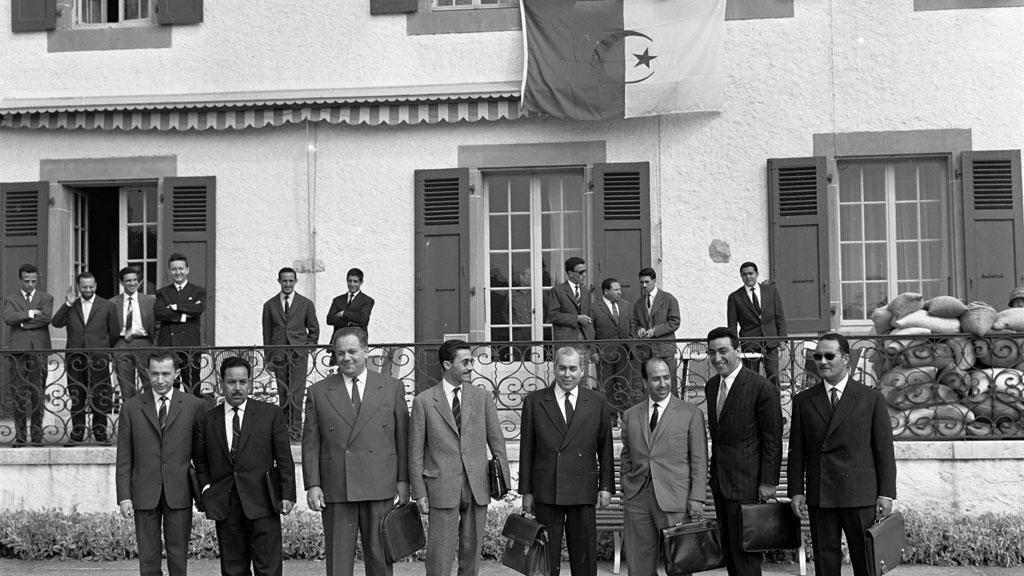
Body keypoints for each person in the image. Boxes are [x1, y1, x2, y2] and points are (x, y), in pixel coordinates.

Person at [302, 326, 409, 576]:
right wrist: (313, 484)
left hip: (380, 484)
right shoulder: (318, 391)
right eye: (340, 353)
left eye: (352, 351)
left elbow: (403, 438)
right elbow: (311, 442)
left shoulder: (392, 387)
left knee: (380, 560)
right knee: (338, 564)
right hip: (337, 486)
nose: (346, 358)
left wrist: (404, 481)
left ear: (366, 350)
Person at [788, 333, 897, 576]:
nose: (823, 361)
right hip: (821, 493)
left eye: (829, 356)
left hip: (860, 494)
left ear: (846, 359)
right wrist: (796, 491)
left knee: (865, 560)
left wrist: (886, 493)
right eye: (818, 356)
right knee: (825, 562)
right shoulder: (803, 401)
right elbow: (797, 452)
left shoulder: (871, 398)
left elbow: (884, 451)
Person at [409, 339, 510, 576]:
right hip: (441, 484)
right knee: (439, 553)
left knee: (472, 550)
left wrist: (503, 484)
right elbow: (415, 452)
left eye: (471, 361)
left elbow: (497, 443)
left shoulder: (483, 398)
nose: (470, 367)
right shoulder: (424, 401)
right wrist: (419, 492)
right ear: (447, 364)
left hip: (478, 484)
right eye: (465, 362)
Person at [194, 356, 296, 576]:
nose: (237, 387)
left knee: (268, 569)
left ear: (250, 383)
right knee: (233, 570)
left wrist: (287, 494)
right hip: (226, 506)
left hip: (264, 503)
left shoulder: (270, 414)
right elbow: (200, 461)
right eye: (231, 382)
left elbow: (284, 459)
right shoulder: (207, 420)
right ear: (222, 384)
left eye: (242, 382)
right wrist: (206, 490)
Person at [519, 346, 614, 576]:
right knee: (546, 560)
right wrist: (527, 492)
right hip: (547, 489)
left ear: (582, 371)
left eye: (573, 368)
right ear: (554, 369)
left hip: (582, 489)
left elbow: (605, 448)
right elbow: (527, 450)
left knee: (585, 558)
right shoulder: (534, 402)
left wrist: (606, 487)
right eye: (562, 368)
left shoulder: (597, 401)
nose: (567, 374)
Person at [116, 351, 206, 576]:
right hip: (145, 491)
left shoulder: (194, 406)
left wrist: (206, 490)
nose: (160, 380)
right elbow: (124, 457)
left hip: (179, 491)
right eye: (154, 374)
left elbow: (202, 455)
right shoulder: (131, 407)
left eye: (166, 374)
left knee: (178, 557)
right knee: (148, 558)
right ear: (147, 373)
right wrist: (124, 496)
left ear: (176, 374)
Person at [704, 327, 782, 576]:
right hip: (721, 484)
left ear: (738, 350)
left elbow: (772, 440)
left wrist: (768, 482)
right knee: (730, 554)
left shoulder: (761, 387)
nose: (718, 358)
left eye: (723, 351)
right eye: (712, 353)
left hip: (748, 486)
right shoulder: (712, 386)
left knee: (747, 560)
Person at [620, 357, 707, 576]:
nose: (663, 384)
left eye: (666, 377)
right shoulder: (631, 415)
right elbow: (626, 455)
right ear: (644, 382)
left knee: (680, 565)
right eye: (656, 379)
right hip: (637, 497)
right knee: (639, 565)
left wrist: (696, 497)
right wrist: (626, 484)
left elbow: (699, 459)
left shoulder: (690, 413)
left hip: (676, 498)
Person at [51, 271, 119, 443]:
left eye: (90, 286)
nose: (87, 289)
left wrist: (101, 348)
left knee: (100, 395)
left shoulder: (107, 306)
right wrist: (67, 303)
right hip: (75, 356)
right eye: (84, 287)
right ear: (79, 287)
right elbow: (56, 322)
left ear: (95, 286)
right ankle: (77, 433)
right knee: (77, 395)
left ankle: (100, 433)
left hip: (98, 357)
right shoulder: (71, 305)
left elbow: (115, 333)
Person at [262, 267, 320, 440]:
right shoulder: (270, 305)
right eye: (284, 280)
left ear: (295, 281)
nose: (287, 284)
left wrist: (307, 347)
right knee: (282, 392)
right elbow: (267, 333)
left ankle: (296, 431)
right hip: (279, 354)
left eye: (290, 280)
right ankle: (284, 431)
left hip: (298, 355)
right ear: (279, 281)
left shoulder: (305, 303)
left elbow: (314, 329)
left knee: (297, 392)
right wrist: (268, 357)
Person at [2, 263, 54, 446]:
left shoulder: (46, 298)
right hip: (18, 351)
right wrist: (31, 313)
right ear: (20, 280)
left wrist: (22, 322)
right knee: (18, 393)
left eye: (33, 281)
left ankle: (37, 435)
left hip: (39, 350)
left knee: (37, 393)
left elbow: (47, 318)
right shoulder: (11, 299)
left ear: (37, 279)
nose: (30, 284)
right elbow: (8, 318)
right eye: (26, 281)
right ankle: (21, 437)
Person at [726, 262, 787, 386]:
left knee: (773, 377)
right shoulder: (735, 297)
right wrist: (734, 344)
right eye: (744, 275)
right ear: (741, 276)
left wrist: (782, 338)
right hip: (750, 343)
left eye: (751, 273)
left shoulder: (771, 292)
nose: (748, 277)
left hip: (771, 342)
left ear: (757, 274)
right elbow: (732, 325)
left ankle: (774, 404)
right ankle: (753, 404)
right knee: (751, 379)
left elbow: (779, 316)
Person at [155, 253, 207, 397]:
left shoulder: (198, 291)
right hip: (169, 346)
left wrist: (174, 306)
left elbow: (197, 310)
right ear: (169, 271)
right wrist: (184, 315)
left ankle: (195, 418)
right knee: (170, 388)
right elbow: (159, 313)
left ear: (187, 269)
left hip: (190, 346)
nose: (178, 272)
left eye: (181, 268)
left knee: (193, 386)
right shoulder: (162, 293)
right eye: (174, 269)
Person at [631, 267, 681, 396]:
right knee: (650, 384)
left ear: (654, 280)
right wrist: (639, 329)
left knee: (669, 383)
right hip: (647, 351)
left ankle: (673, 413)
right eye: (641, 282)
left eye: (647, 282)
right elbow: (634, 323)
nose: (644, 285)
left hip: (665, 349)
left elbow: (675, 322)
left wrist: (655, 331)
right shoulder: (638, 303)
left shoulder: (669, 299)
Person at [111, 266, 156, 402]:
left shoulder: (150, 301)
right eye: (128, 280)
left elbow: (158, 325)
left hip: (144, 343)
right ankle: (131, 419)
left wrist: (156, 345)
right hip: (121, 343)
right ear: (121, 283)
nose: (132, 283)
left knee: (150, 383)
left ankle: (152, 417)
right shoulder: (112, 303)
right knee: (126, 387)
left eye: (135, 280)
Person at [591, 277, 635, 410]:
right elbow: (590, 332)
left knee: (624, 384)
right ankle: (609, 417)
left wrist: (631, 341)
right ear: (606, 291)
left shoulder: (626, 305)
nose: (620, 292)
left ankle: (624, 414)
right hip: (604, 353)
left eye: (620, 289)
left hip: (624, 352)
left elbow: (632, 324)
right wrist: (594, 352)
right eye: (616, 290)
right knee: (606, 387)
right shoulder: (594, 308)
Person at [547, 257, 596, 342]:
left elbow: (589, 315)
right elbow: (553, 316)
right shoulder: (557, 290)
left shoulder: (585, 292)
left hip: (586, 340)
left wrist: (593, 348)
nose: (584, 275)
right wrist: (576, 318)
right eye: (581, 272)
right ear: (570, 273)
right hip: (567, 340)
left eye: (585, 271)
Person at [326, 268, 375, 343]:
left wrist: (343, 313)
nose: (352, 284)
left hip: (357, 341)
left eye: (355, 281)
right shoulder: (338, 300)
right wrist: (349, 323)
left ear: (361, 282)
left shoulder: (367, 300)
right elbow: (330, 319)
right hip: (339, 341)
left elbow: (363, 319)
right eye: (350, 281)